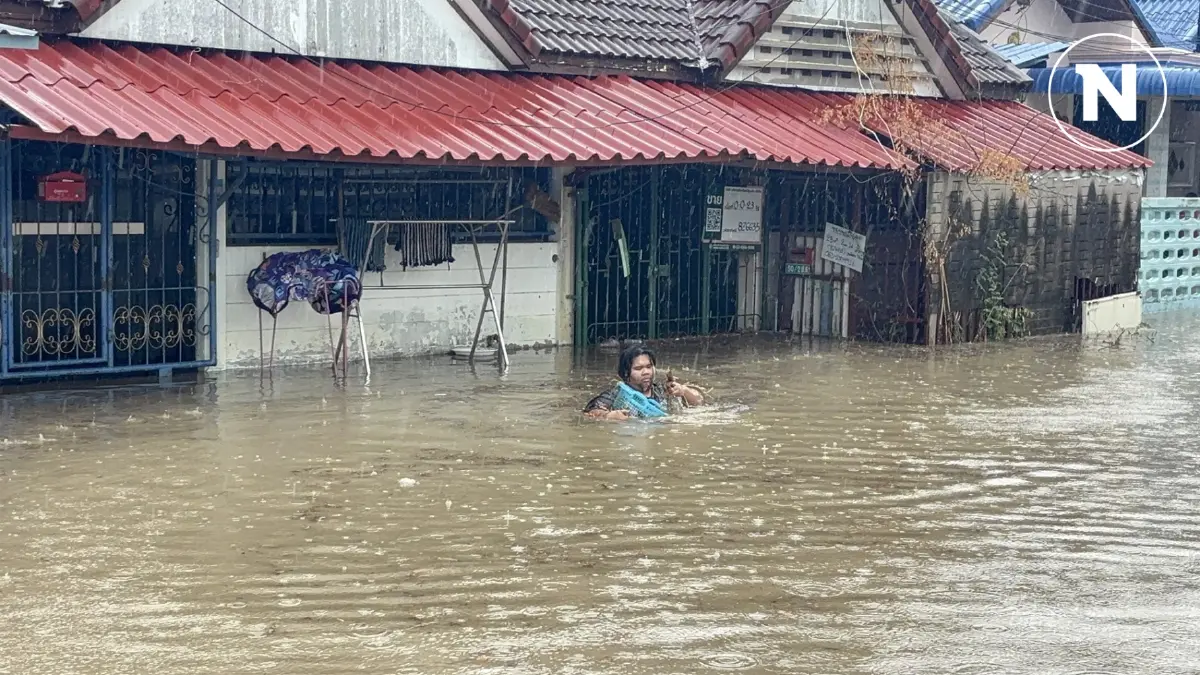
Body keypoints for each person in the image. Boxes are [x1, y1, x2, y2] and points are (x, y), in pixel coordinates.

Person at [583, 345, 704, 420]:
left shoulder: (663, 390)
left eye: (649, 366)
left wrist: (683, 391)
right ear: (626, 372)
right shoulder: (615, 394)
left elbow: (699, 402)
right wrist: (608, 416)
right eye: (638, 369)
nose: (646, 372)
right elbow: (589, 413)